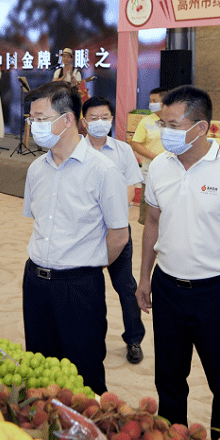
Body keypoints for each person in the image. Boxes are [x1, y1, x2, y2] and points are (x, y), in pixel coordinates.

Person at [136, 86, 220, 440]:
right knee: (169, 378)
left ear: (201, 127)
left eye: (173, 124)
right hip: (168, 288)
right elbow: (153, 223)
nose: (164, 132)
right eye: (162, 123)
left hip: (218, 293)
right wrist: (144, 277)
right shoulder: (159, 165)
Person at [22, 81, 129, 396]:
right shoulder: (36, 170)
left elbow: (119, 236)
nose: (34, 126)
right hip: (36, 283)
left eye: (41, 118)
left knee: (84, 378)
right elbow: (38, 223)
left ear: (67, 119)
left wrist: (85, 264)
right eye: (31, 119)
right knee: (39, 371)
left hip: (79, 288)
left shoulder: (103, 171)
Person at [81, 96, 145, 364]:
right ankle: (91, 338)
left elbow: (131, 187)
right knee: (87, 288)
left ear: (111, 119)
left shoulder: (123, 151)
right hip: (85, 233)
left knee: (125, 286)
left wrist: (115, 217)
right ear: (83, 122)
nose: (99, 123)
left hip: (117, 230)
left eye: (104, 117)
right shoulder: (77, 151)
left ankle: (134, 339)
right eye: (93, 118)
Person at [131, 88, 167, 225]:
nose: (151, 104)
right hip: (150, 172)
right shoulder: (146, 122)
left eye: (155, 101)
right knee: (148, 216)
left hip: (171, 174)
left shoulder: (173, 121)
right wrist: (154, 156)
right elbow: (135, 143)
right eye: (150, 101)